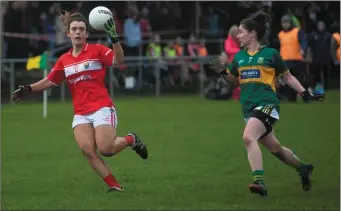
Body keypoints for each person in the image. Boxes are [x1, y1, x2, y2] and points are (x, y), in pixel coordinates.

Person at [11, 11, 148, 192]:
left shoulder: (97, 50)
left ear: (86, 34)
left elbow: (119, 60)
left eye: (81, 29)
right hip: (81, 113)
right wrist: (28, 89)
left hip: (102, 107)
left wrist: (114, 38)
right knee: (87, 151)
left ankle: (131, 139)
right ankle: (115, 186)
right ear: (68, 33)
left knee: (106, 149)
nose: (77, 32)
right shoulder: (64, 60)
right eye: (74, 29)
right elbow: (50, 81)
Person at [209, 11, 323, 197]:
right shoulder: (239, 57)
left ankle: (259, 182)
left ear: (252, 33)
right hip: (248, 108)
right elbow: (232, 80)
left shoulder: (271, 54)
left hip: (267, 105)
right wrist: (222, 71)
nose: (237, 36)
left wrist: (304, 92)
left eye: (240, 32)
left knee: (248, 137)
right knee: (275, 148)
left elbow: (287, 77)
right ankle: (303, 168)